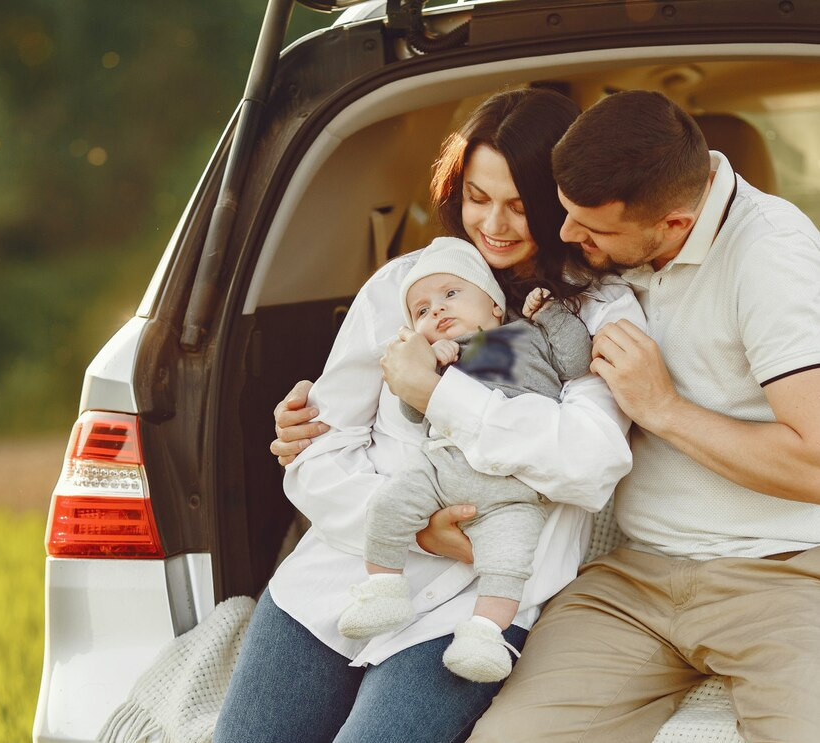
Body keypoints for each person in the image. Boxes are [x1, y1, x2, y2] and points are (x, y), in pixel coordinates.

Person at [214, 87, 645, 743]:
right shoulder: (403, 284)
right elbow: (317, 456)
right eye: (476, 197)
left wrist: (438, 393)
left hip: (479, 601)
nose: (494, 224)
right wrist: (412, 527)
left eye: (519, 205)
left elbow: (587, 464)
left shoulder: (595, 313)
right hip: (346, 567)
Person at [461, 89, 820, 743]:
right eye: (564, 214)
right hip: (632, 578)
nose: (565, 236)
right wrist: (348, 412)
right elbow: (487, 330)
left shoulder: (773, 257)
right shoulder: (594, 245)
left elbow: (816, 462)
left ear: (674, 225)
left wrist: (663, 408)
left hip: (784, 572)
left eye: (589, 229)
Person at [337, 237, 593, 686]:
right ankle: (384, 587)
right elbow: (414, 414)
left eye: (451, 294)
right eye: (421, 310)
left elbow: (577, 362)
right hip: (442, 469)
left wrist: (550, 315)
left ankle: (483, 635)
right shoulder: (441, 358)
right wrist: (422, 371)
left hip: (514, 489)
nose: (436, 310)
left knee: (509, 563)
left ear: (494, 305)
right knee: (386, 506)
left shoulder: (525, 337)